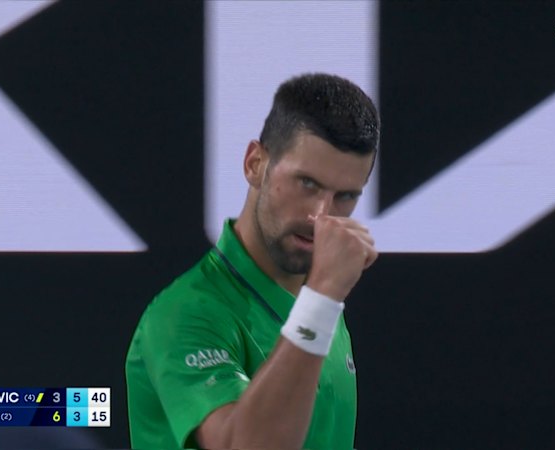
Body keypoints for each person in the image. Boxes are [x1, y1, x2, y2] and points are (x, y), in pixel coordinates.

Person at [126, 73, 380, 450]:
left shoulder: (315, 302)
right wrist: (322, 297)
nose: (321, 215)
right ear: (255, 164)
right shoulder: (182, 314)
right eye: (306, 183)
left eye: (345, 196)